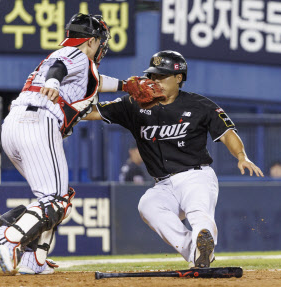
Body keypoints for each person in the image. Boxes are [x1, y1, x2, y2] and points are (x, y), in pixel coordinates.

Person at [83, 50, 264, 268]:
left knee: (199, 212)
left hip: (195, 176)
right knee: (147, 205)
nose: (154, 81)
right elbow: (89, 113)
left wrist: (242, 156)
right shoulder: (133, 104)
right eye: (152, 76)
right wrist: (91, 87)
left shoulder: (199, 105)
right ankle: (196, 251)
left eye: (162, 76)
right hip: (163, 185)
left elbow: (227, 132)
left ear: (179, 78)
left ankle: (203, 238)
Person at [0, 13, 114, 275]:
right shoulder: (76, 55)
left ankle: (35, 260)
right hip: (38, 123)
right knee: (56, 200)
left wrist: (127, 85)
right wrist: (54, 81)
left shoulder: (68, 61)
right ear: (90, 40)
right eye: (100, 40)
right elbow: (61, 68)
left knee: (56, 199)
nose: (102, 46)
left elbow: (93, 81)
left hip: (15, 126)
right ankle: (9, 236)